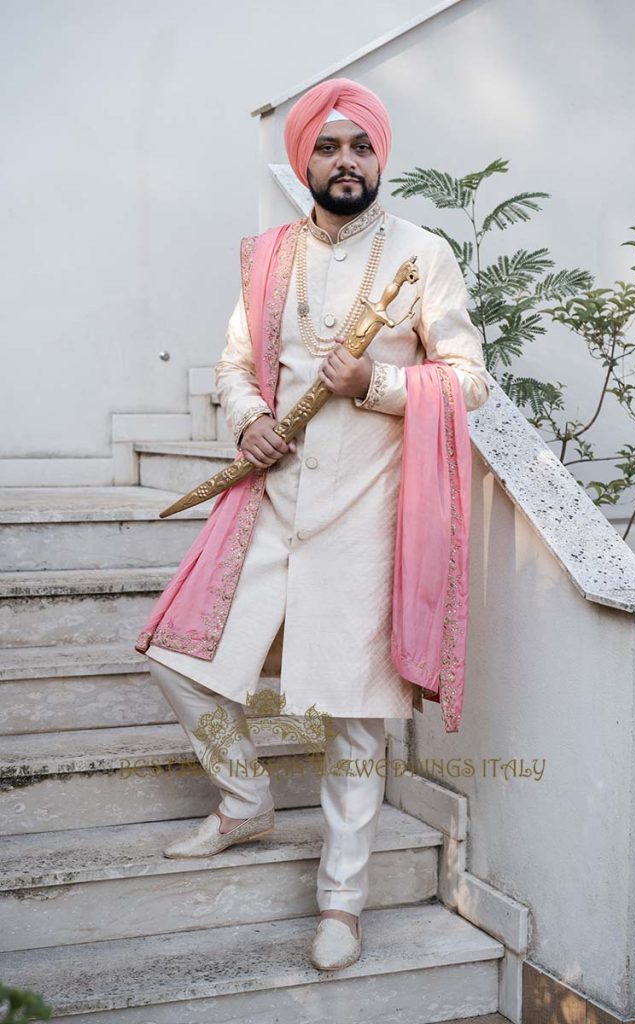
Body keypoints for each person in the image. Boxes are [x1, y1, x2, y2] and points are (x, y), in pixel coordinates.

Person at [135, 77, 492, 971]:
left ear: (380, 156)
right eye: (328, 148)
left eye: (359, 147)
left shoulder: (423, 254)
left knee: (355, 717)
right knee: (181, 657)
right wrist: (248, 415)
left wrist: (370, 383)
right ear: (304, 159)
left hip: (367, 517)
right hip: (270, 501)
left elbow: (469, 380)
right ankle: (246, 800)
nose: (344, 162)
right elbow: (235, 363)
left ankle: (341, 901)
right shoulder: (268, 258)